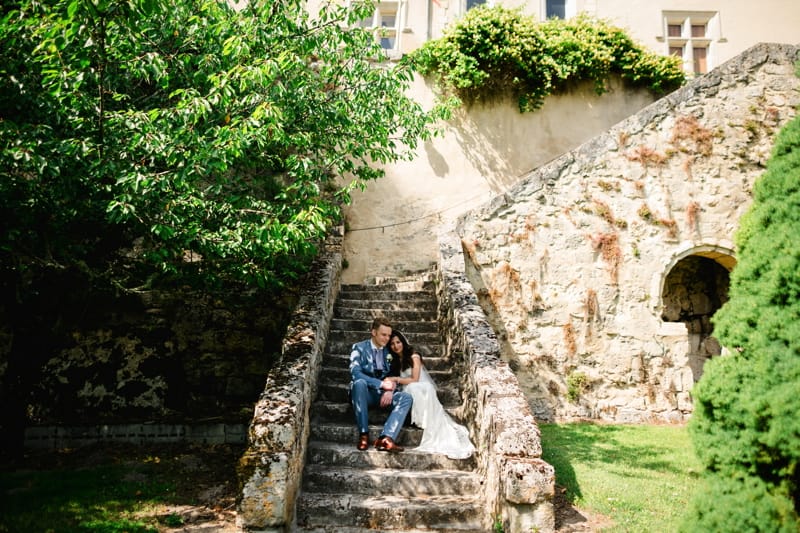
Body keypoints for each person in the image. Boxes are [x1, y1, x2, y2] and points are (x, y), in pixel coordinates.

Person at [386, 330, 475, 459]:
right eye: (392, 344)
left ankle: (422, 419)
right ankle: (418, 418)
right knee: (408, 390)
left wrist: (396, 379)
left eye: (398, 342)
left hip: (420, 387)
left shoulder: (414, 356)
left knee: (414, 387)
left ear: (403, 342)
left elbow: (415, 379)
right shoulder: (395, 361)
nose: (396, 346)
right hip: (409, 389)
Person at [349, 317, 413, 452]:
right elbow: (356, 373)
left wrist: (390, 390)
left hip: (383, 395)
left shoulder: (390, 351)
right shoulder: (359, 348)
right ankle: (364, 434)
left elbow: (395, 373)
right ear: (374, 332)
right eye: (384, 335)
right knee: (359, 383)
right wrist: (381, 384)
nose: (387, 338)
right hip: (364, 394)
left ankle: (385, 438)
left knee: (406, 397)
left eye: (389, 335)